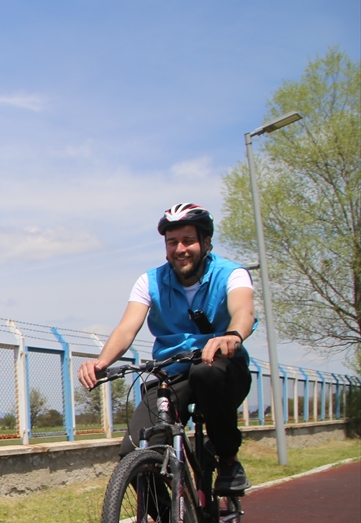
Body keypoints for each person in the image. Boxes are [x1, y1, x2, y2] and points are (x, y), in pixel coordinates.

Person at [77, 203, 256, 495]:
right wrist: (101, 362)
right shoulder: (149, 281)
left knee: (206, 375)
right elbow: (126, 329)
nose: (180, 248)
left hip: (220, 367)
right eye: (172, 242)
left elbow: (243, 311)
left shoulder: (232, 274)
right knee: (133, 456)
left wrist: (232, 336)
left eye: (188, 240)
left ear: (206, 242)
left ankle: (228, 460)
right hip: (172, 374)